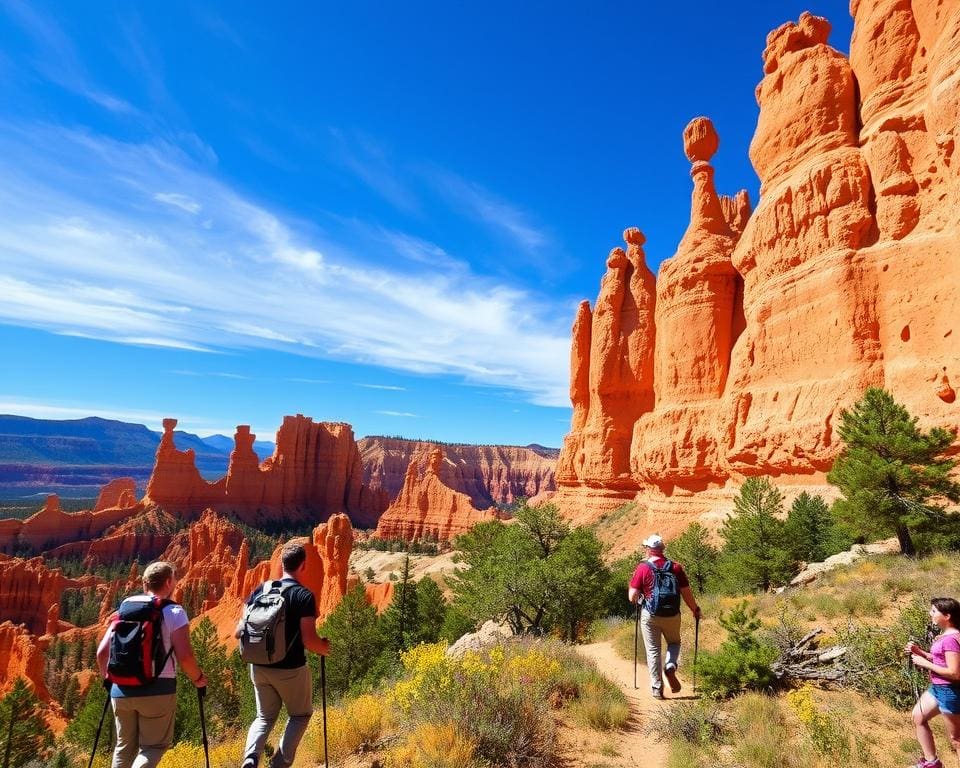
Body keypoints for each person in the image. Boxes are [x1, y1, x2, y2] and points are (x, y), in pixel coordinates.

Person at [96, 561, 207, 768]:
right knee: (153, 747)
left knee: (123, 748)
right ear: (168, 582)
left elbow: (102, 653)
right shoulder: (174, 611)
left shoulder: (125, 607)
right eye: (174, 580)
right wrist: (199, 679)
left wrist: (109, 682)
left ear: (145, 583)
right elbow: (185, 656)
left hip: (120, 690)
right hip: (158, 689)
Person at [239, 542, 330, 768]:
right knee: (300, 715)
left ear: (281, 564)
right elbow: (309, 640)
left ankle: (250, 759)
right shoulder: (303, 596)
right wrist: (324, 648)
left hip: (257, 667)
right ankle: (280, 763)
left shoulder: (261, 590)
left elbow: (238, 631)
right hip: (290, 669)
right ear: (304, 566)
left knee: (264, 717)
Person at [628, 533, 701, 699]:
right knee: (674, 642)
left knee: (653, 650)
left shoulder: (643, 568)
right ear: (662, 550)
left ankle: (656, 687)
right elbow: (686, 594)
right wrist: (695, 610)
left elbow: (632, 597)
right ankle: (670, 665)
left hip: (650, 615)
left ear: (648, 549)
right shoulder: (676, 567)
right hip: (673, 615)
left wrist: (639, 593)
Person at [904, 597, 960, 768]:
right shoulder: (946, 636)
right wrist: (920, 652)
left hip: (949, 691)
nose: (931, 613)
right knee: (918, 716)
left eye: (934, 611)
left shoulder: (951, 639)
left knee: (956, 739)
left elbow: (954, 673)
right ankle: (932, 763)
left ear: (947, 616)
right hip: (937, 688)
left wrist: (925, 664)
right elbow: (939, 659)